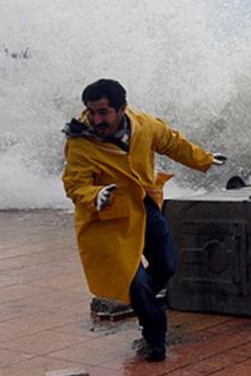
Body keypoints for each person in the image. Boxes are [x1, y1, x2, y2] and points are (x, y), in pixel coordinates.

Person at [61, 78, 226, 361]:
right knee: (134, 281)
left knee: (167, 265)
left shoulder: (144, 125)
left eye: (103, 112)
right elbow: (74, 185)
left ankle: (142, 302)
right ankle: (154, 337)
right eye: (91, 112)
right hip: (107, 219)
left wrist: (204, 159)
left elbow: (173, 143)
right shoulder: (80, 143)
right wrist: (95, 194)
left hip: (144, 205)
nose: (96, 119)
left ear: (122, 108)